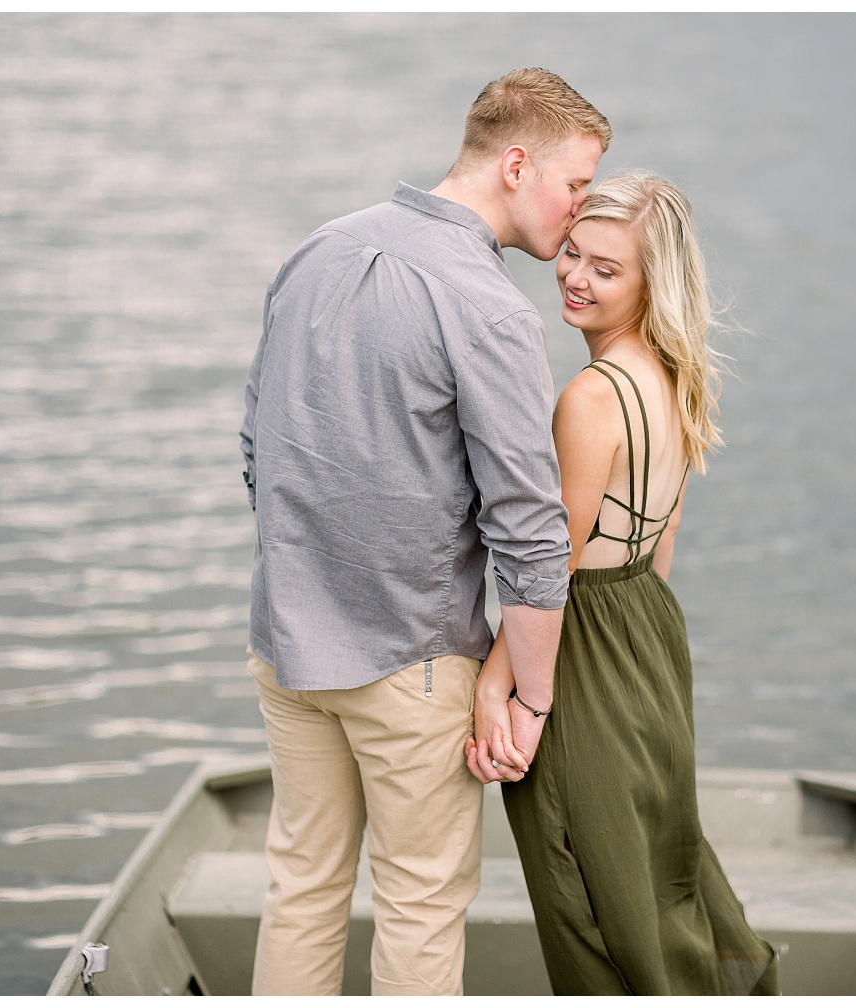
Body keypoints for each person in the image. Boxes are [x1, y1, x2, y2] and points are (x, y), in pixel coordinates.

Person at [238, 68, 610, 996]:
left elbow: (258, 445)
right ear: (517, 164)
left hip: (286, 649)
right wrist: (529, 698)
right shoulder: (487, 307)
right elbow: (528, 531)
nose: (579, 212)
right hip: (412, 660)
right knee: (418, 904)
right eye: (576, 185)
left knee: (302, 887)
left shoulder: (317, 249)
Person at [465, 172, 780, 995]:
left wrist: (499, 689)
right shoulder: (674, 377)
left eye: (607, 269)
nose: (575, 275)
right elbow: (662, 534)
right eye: (571, 252)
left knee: (585, 885)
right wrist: (645, 655)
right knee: (656, 851)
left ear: (651, 283)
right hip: (649, 623)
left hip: (587, 636)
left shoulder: (592, 396)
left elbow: (552, 564)